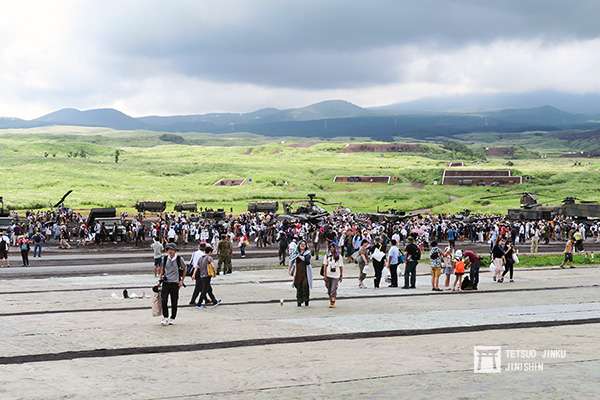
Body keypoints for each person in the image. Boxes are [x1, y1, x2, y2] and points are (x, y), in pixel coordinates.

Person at [158, 243, 186, 326]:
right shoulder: (165, 258)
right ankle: (165, 317)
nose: (170, 251)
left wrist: (182, 281)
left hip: (175, 283)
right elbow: (162, 269)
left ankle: (172, 317)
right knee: (164, 300)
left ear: (175, 250)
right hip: (166, 282)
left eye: (172, 249)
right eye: (168, 250)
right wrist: (160, 280)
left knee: (174, 301)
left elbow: (185, 268)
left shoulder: (179, 259)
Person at [290, 240, 312, 306]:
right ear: (299, 245)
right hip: (298, 273)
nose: (302, 245)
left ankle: (306, 301)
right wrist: (290, 270)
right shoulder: (296, 253)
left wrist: (300, 257)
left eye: (304, 244)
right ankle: (299, 301)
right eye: (301, 244)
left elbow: (307, 262)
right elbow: (292, 262)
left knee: (305, 286)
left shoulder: (308, 253)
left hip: (305, 273)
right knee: (298, 287)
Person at [323, 243, 343, 308]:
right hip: (328, 274)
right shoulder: (327, 256)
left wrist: (341, 275)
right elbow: (325, 265)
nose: (332, 249)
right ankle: (331, 299)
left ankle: (333, 301)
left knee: (333, 289)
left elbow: (341, 266)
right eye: (330, 247)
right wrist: (325, 275)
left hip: (336, 275)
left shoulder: (339, 256)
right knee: (329, 289)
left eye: (333, 247)